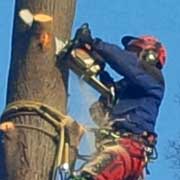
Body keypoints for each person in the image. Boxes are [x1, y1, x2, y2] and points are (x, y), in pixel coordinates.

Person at [71, 25, 167, 180]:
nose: (129, 55)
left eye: (133, 52)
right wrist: (101, 70)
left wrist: (95, 43)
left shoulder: (154, 80)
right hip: (122, 153)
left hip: (127, 150)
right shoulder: (126, 89)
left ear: (150, 56)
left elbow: (126, 63)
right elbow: (97, 112)